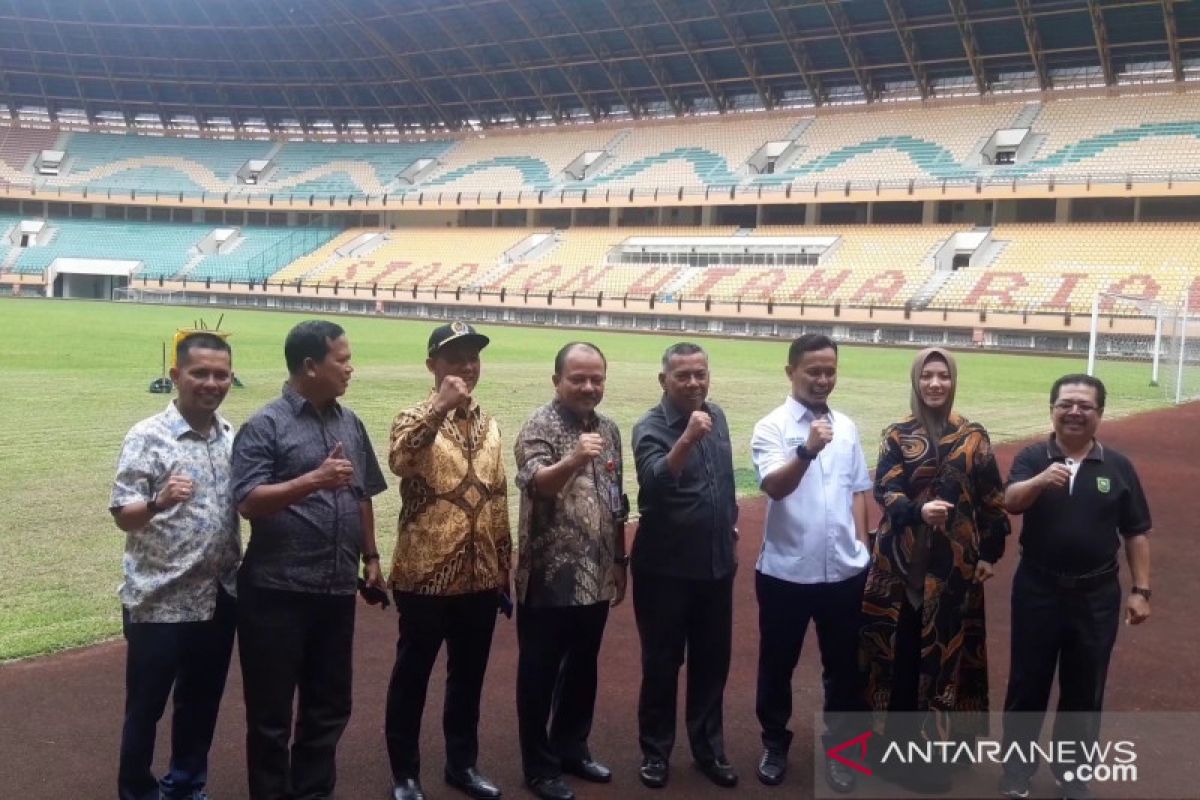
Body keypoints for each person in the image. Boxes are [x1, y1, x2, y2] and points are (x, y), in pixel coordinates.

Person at [231, 320, 388, 800]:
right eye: (341, 359)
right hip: (276, 593)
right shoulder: (266, 425)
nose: (350, 368)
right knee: (271, 715)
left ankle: (314, 792)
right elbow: (247, 501)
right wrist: (312, 481)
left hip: (336, 591)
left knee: (329, 706)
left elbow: (362, 494)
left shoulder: (350, 422)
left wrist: (372, 556)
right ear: (309, 366)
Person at [860, 347, 1010, 793]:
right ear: (916, 380)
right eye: (927, 375)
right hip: (898, 571)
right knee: (899, 660)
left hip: (951, 574)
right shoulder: (897, 434)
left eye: (943, 375)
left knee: (943, 662)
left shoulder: (973, 437)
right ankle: (893, 750)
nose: (935, 384)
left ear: (953, 380)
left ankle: (935, 753)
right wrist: (917, 511)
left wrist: (989, 554)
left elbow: (992, 501)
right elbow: (884, 490)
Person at [999, 374, 1151, 800]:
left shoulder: (1118, 467)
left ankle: (1073, 775)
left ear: (1099, 414)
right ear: (1052, 409)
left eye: (1086, 405)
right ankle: (1016, 771)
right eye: (1066, 403)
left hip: (1097, 595)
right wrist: (1039, 481)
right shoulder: (1033, 456)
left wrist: (1142, 590)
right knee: (1028, 683)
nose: (1075, 411)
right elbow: (1010, 501)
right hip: (1038, 589)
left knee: (1085, 689)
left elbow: (1136, 532)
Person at [109, 332, 240, 800]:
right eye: (199, 372)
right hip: (159, 598)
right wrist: (159, 501)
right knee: (146, 708)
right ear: (176, 376)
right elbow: (124, 516)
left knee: (200, 704)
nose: (211, 382)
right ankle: (137, 791)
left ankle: (185, 786)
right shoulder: (147, 436)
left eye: (220, 374)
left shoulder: (231, 437)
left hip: (218, 596)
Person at [385, 322, 511, 800]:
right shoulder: (410, 416)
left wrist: (503, 565)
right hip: (425, 575)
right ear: (432, 366)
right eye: (454, 357)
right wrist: (437, 409)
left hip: (479, 577)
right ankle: (405, 773)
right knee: (412, 675)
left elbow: (498, 497)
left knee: (468, 677)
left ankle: (462, 764)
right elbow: (401, 461)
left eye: (473, 356)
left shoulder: (491, 424)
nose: (466, 366)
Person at [748, 334, 873, 791]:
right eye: (813, 371)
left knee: (844, 668)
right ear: (791, 372)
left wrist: (861, 549)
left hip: (844, 573)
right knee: (777, 664)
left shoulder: (849, 427)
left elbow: (858, 490)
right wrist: (807, 449)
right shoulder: (771, 427)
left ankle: (842, 752)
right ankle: (775, 743)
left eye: (830, 371)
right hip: (785, 572)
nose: (822, 379)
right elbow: (775, 488)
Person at [513, 342, 629, 800]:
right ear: (556, 379)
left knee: (583, 669)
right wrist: (576, 458)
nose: (587, 386)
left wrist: (620, 561)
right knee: (538, 674)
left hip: (596, 573)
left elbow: (617, 501)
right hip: (547, 576)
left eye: (596, 378)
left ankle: (571, 747)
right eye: (577, 378)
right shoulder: (538, 427)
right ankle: (539, 767)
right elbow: (538, 485)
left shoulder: (610, 429)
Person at [631, 342, 739, 790]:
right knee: (662, 663)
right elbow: (654, 487)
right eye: (683, 376)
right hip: (665, 571)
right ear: (664, 381)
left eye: (700, 373)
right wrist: (688, 437)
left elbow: (724, 480)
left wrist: (727, 522)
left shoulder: (717, 417)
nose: (694, 383)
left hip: (715, 567)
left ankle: (708, 748)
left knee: (712, 663)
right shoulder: (650, 427)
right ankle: (655, 752)